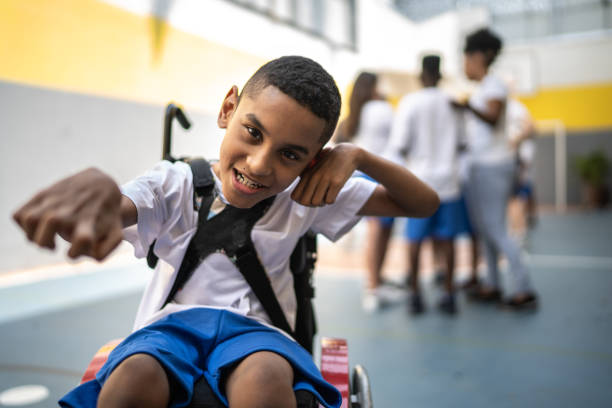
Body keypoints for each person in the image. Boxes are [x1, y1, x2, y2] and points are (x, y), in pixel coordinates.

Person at [12, 56, 439, 408]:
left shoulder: (305, 196)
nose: (259, 164)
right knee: (133, 377)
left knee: (265, 378)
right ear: (227, 109)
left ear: (312, 164)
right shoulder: (173, 184)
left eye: (289, 154)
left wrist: (358, 157)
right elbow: (123, 204)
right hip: (168, 329)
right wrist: (102, 195)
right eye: (253, 133)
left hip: (258, 335)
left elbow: (423, 204)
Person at [454, 28, 538, 309]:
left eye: (466, 58)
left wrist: (466, 106)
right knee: (484, 228)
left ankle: (524, 286)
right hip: (481, 166)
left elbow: (491, 117)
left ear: (478, 57)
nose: (464, 65)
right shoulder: (483, 88)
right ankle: (492, 283)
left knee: (496, 228)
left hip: (493, 166)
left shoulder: (494, 86)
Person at [384, 55, 465, 315]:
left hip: (419, 182)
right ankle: (450, 293)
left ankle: (415, 294)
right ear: (440, 75)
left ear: (421, 76)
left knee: (414, 240)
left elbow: (399, 145)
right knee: (448, 239)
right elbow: (463, 143)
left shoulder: (410, 103)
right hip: (449, 182)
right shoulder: (453, 102)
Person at [333, 72, 399, 313]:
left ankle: (375, 282)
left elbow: (337, 143)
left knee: (377, 231)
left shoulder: (353, 116)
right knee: (379, 231)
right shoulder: (381, 109)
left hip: (361, 175)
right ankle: (373, 285)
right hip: (381, 174)